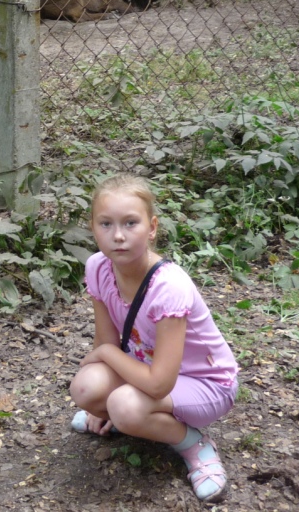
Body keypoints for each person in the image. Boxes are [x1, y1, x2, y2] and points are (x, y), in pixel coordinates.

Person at [68, 173, 239, 502]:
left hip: (207, 383)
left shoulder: (168, 285)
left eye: (130, 223)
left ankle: (194, 445)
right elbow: (108, 339)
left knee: (124, 405)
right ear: (93, 227)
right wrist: (100, 398)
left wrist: (105, 354)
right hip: (149, 370)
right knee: (86, 388)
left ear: (152, 227)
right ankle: (126, 419)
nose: (118, 236)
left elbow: (158, 382)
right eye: (106, 224)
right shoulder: (97, 267)